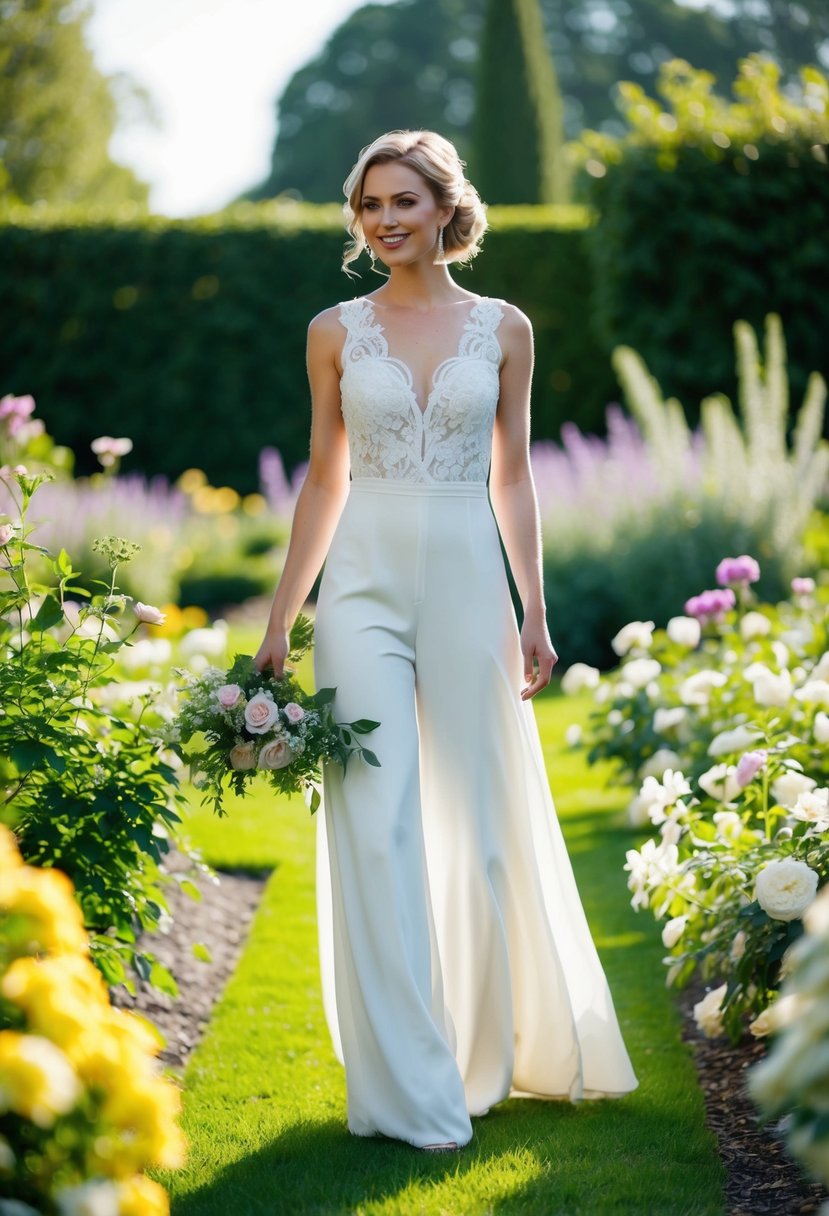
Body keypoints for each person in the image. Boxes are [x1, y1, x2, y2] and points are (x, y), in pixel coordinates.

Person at [254, 129, 637, 1152]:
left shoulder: (503, 328)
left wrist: (535, 609)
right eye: (369, 205)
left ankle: (487, 1057)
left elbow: (513, 476)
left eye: (403, 202)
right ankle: (406, 1090)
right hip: (364, 586)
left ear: (445, 209)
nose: (383, 220)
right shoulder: (334, 331)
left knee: (476, 827)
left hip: (471, 580)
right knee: (376, 823)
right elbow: (324, 476)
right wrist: (283, 614)